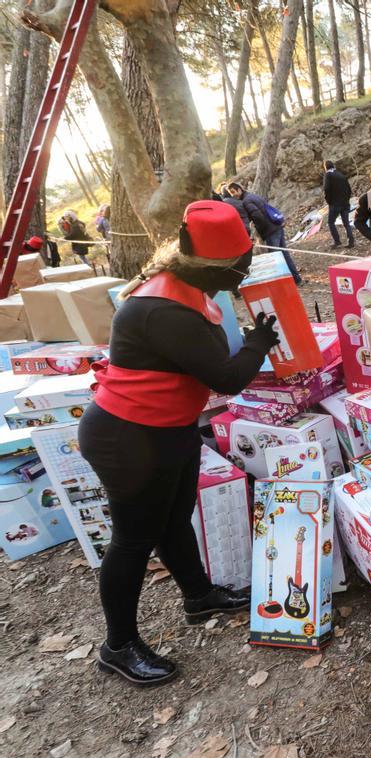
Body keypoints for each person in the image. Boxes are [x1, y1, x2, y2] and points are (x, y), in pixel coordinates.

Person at [81, 200, 280, 685]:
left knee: (173, 520)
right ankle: (117, 646)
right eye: (243, 263)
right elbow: (226, 378)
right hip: (128, 436)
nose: (246, 270)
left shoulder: (189, 288)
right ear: (217, 266)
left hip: (168, 427)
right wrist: (258, 342)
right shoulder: (163, 309)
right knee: (133, 540)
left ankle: (198, 595)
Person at [226, 182, 301, 284]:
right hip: (276, 227)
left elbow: (258, 216)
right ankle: (296, 279)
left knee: (275, 258)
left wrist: (261, 230)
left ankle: (285, 283)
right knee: (284, 255)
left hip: (270, 231)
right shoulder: (252, 196)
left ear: (239, 189)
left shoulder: (246, 201)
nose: (232, 195)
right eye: (231, 193)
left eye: (233, 192)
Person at [322, 160, 355, 248]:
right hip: (345, 203)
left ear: (325, 167)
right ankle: (351, 241)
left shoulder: (328, 175)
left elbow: (326, 189)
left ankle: (337, 241)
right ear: (334, 166)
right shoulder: (341, 174)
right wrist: (347, 200)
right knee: (346, 223)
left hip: (335, 204)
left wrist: (329, 201)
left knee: (331, 222)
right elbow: (349, 189)